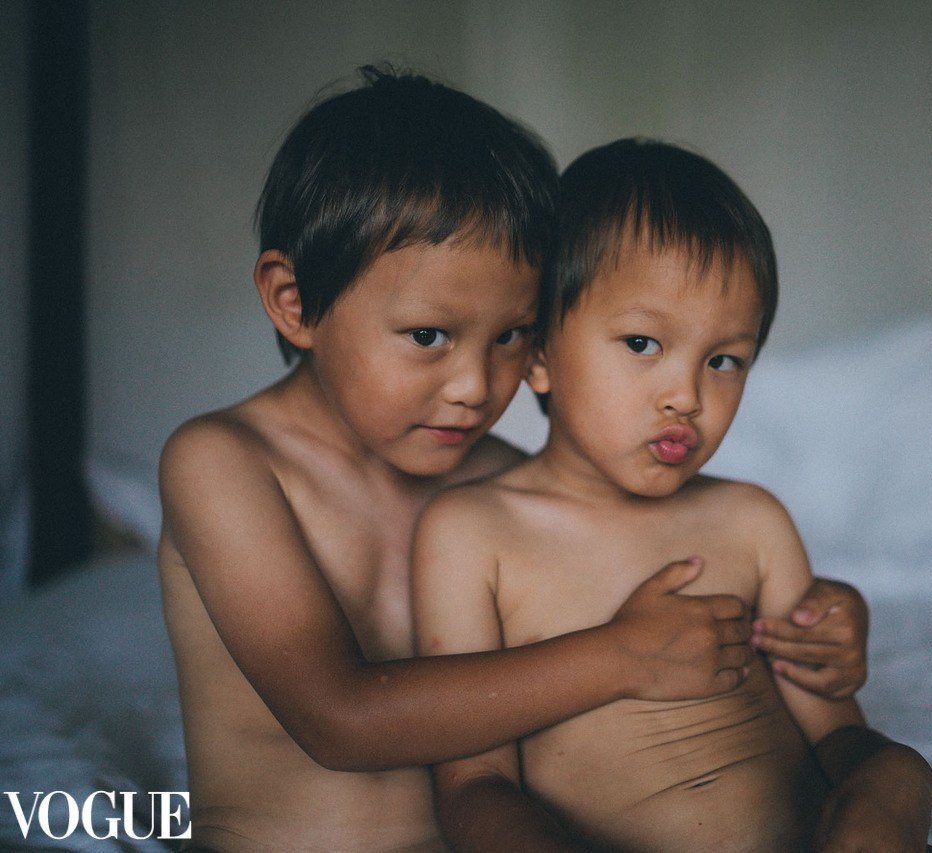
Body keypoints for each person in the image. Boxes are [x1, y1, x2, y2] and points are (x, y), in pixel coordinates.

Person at [158, 68, 873, 852]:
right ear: (294, 301)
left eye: (511, 336)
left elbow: (637, 558)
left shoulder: (489, 479)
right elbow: (339, 719)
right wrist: (622, 655)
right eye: (430, 334)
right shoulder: (222, 463)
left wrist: (818, 618)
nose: (475, 385)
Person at [414, 138, 932, 852]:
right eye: (642, 343)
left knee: (902, 769)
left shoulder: (751, 520)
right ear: (537, 353)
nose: (687, 396)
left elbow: (837, 735)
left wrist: (886, 786)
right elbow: (475, 784)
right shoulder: (472, 532)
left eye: (724, 360)